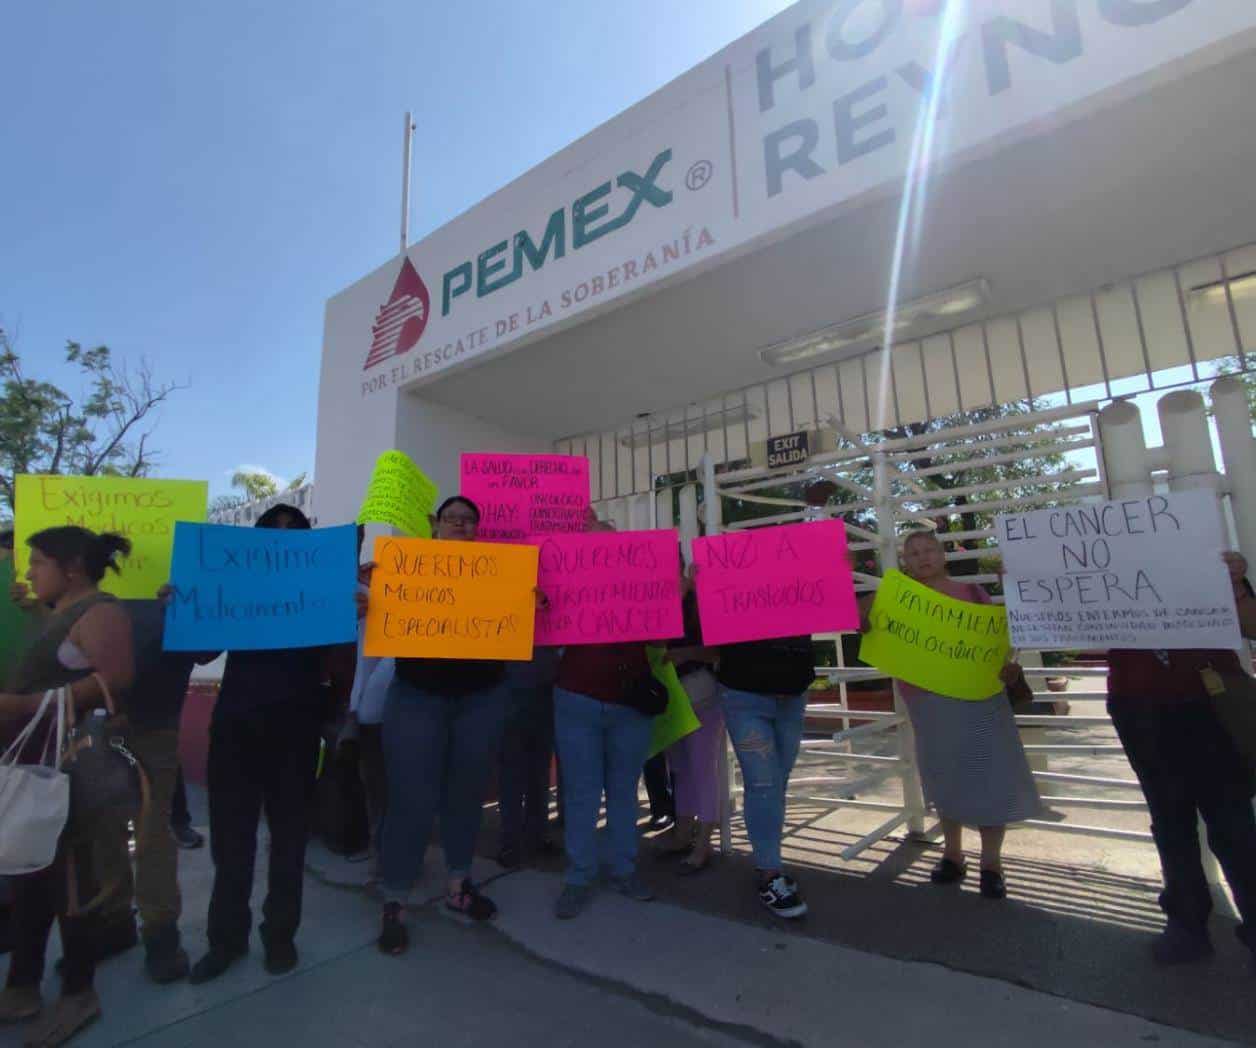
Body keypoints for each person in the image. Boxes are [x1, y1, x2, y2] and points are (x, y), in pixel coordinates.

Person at [188, 503, 355, 984]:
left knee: (288, 840)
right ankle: (226, 940)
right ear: (257, 542)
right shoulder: (235, 585)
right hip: (236, 726)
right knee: (230, 841)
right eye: (273, 531)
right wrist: (187, 605)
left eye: (294, 531)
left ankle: (280, 936)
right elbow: (203, 652)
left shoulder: (326, 591)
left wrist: (360, 611)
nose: (283, 538)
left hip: (297, 729)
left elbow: (342, 661)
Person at [0, 526, 136, 1046]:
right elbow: (64, 662)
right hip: (40, 761)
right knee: (34, 871)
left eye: (38, 562)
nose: (29, 571)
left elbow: (115, 679)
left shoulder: (102, 612)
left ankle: (79, 993)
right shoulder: (61, 613)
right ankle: (23, 984)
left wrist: (21, 706)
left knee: (70, 878)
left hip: (69, 765)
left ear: (71, 567)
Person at [372, 496, 517, 955]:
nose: (461, 524)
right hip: (417, 697)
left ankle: (459, 885)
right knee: (411, 799)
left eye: (469, 519)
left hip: (480, 698)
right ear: (434, 524)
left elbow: (515, 624)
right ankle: (394, 897)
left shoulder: (497, 570)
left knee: (466, 794)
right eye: (452, 518)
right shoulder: (405, 566)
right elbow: (372, 613)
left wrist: (529, 600)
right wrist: (368, 594)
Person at [862, 529, 1039, 900]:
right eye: (914, 553)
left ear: (942, 555)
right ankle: (952, 854)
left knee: (992, 777)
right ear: (905, 563)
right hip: (928, 702)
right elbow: (861, 624)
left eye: (929, 550)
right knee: (944, 777)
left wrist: (1009, 667)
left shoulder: (974, 595)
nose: (923, 557)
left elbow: (996, 644)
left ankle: (992, 865)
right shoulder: (896, 601)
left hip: (979, 699)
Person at [1106, 550, 1256, 965]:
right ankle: (1187, 926)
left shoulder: (1209, 573)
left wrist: (1238, 585)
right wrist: (1028, 581)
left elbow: (1252, 626)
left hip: (1209, 707)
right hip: (1139, 710)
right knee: (1170, 821)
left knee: (1234, 822)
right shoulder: (1104, 583)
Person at [92, 599, 212, 983]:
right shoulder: (87, 574)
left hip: (154, 721)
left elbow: (207, 650)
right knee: (102, 830)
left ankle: (160, 936)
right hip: (94, 720)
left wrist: (191, 611)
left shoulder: (186, 569)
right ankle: (115, 922)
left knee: (152, 835)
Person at [551, 518, 658, 920]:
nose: (603, 552)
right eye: (594, 545)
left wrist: (677, 593)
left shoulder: (643, 584)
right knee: (581, 793)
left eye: (611, 545)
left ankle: (623, 869)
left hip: (629, 703)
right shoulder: (563, 584)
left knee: (623, 792)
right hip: (576, 698)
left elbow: (661, 639)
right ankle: (579, 876)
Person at [717, 630, 816, 919]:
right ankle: (769, 872)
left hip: (793, 690)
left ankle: (771, 864)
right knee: (764, 783)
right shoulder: (721, 582)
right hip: (744, 692)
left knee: (776, 781)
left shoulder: (801, 582)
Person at [659, 565, 722, 875]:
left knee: (701, 767)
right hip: (670, 697)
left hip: (700, 694)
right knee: (680, 768)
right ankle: (683, 832)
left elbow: (718, 651)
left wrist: (685, 655)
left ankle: (705, 841)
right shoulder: (656, 601)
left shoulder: (704, 603)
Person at [497, 646, 560, 868]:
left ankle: (536, 834)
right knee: (512, 771)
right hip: (509, 688)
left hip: (546, 687)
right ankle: (511, 841)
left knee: (540, 768)